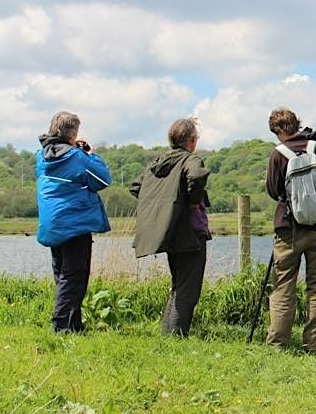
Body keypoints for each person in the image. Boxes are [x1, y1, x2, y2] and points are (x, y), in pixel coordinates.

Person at [265, 108, 316, 353]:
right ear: (297, 124)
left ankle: (277, 345)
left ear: (276, 131)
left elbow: (273, 191)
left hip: (288, 230)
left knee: (283, 287)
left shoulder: (277, 154)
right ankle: (312, 346)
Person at [130, 117, 211, 336]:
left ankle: (168, 333)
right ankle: (176, 336)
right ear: (192, 140)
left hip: (168, 231)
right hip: (190, 231)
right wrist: (192, 201)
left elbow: (137, 187)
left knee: (178, 284)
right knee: (188, 288)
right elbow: (195, 178)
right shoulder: (190, 160)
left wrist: (162, 204)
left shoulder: (157, 163)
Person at [35, 111, 112, 333]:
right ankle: (61, 327)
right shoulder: (77, 157)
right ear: (73, 134)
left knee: (62, 274)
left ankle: (74, 324)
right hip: (74, 222)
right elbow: (102, 179)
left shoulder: (40, 157)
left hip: (52, 222)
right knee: (75, 276)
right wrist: (91, 154)